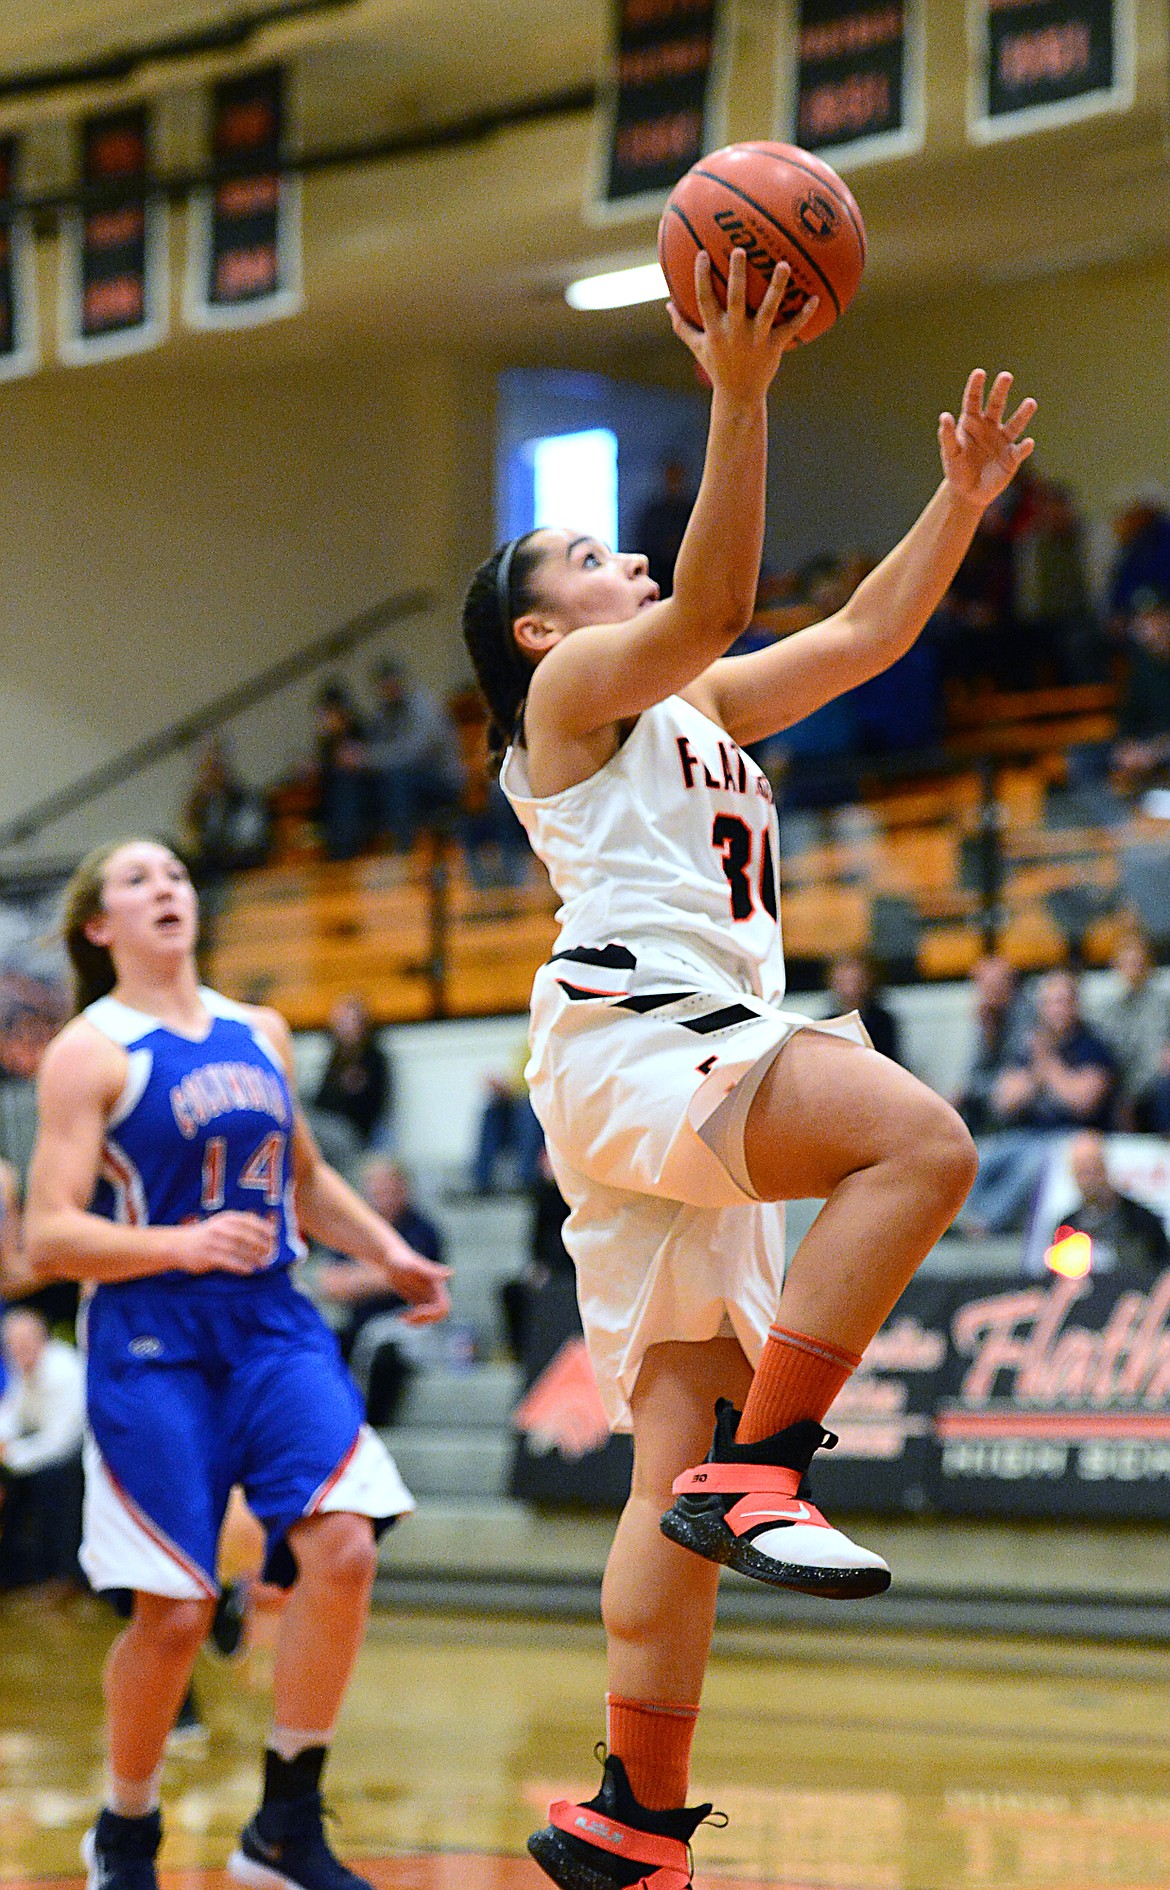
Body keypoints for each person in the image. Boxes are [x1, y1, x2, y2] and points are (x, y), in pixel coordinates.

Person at [461, 244, 1035, 1889]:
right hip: (644, 1031)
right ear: (536, 623)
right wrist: (736, 393)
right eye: (587, 551)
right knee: (918, 1144)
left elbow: (858, 634)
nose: (622, 557)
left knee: (664, 1468)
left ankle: (634, 1816)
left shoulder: (699, 698)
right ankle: (769, 1464)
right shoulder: (569, 700)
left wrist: (962, 508)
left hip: (667, 1061)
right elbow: (712, 598)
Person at [22, 837, 450, 1890]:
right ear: (98, 925)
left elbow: (302, 1179)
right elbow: (48, 1236)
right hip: (151, 1337)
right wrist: (180, 1243)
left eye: (175, 874)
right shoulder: (91, 1049)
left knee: (345, 1545)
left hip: (270, 1323)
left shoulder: (259, 1029)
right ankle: (125, 1830)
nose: (166, 888)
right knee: (171, 1615)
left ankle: (285, 1826)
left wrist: (386, 1251)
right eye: (137, 880)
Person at [959, 968, 1118, 1236]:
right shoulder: (1029, 1044)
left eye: (1063, 1001)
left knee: (1033, 1163)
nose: (1056, 1009)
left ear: (1076, 1004)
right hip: (1028, 1133)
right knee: (980, 1155)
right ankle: (957, 1218)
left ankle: (983, 1223)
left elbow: (1083, 1101)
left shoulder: (1092, 1045)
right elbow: (1004, 1101)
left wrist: (1047, 1066)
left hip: (1074, 1137)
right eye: (1049, 1002)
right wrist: (1037, 1074)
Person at [315, 1155, 446, 1425]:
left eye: (387, 1187)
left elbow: (413, 1279)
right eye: (374, 1188)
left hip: (406, 1324)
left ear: (404, 1188)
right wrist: (382, 1275)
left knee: (384, 1358)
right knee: (323, 1344)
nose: (380, 1195)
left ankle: (371, 1425)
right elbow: (331, 1283)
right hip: (360, 1322)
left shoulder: (421, 1228)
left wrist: (362, 1277)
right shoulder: (354, 1228)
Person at [0, 1305, 85, 1592]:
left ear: (42, 1339)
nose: (17, 1350)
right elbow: (12, 1413)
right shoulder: (22, 1366)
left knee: (52, 1480)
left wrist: (9, 1453)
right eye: (11, 1345)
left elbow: (60, 1444)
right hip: (42, 1451)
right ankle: (13, 1572)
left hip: (77, 1458)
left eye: (24, 1343)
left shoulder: (65, 1371)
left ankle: (63, 1576)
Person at [364, 659, 465, 852]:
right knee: (370, 781)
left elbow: (411, 755)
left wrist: (367, 758)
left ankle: (405, 849)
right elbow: (380, 748)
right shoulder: (385, 712)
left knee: (398, 778)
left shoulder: (424, 708)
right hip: (412, 780)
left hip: (442, 779)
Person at [1044, 1130, 1170, 1282]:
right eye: (1082, 1173)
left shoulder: (1142, 1222)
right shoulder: (1066, 1228)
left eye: (1093, 1170)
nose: (1088, 1180)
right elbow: (1057, 1281)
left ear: (1105, 1168)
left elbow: (1161, 1272)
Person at [1096, 930, 1170, 1130]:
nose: (1134, 969)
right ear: (1116, 966)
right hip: (1119, 1083)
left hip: (1155, 1082)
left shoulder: (1164, 1002)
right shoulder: (1104, 1007)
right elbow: (1105, 1052)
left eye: (1139, 963)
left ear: (1149, 965)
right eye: (1128, 963)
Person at [310, 996, 393, 1155]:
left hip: (356, 1134)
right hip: (332, 1128)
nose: (343, 1027)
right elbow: (321, 1100)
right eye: (340, 1022)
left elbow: (374, 1107)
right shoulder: (335, 1058)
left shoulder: (374, 1059)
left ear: (363, 1024)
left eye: (348, 1021)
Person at [826, 952, 901, 1064]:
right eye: (844, 981)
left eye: (855, 980)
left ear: (868, 981)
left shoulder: (882, 1022)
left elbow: (887, 1061)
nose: (850, 989)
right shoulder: (827, 1023)